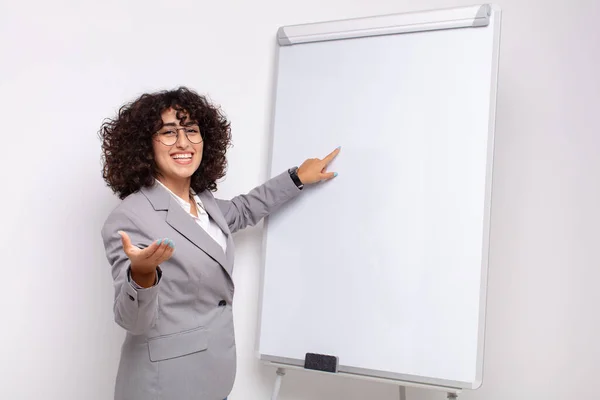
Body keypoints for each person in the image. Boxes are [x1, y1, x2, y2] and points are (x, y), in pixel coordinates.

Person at [99, 86, 339, 400]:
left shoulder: (203, 202)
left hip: (211, 377)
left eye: (191, 131)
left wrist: (296, 178)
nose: (183, 142)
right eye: (169, 132)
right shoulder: (130, 217)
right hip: (164, 386)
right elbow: (132, 320)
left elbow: (242, 209)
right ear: (145, 145)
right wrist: (142, 276)